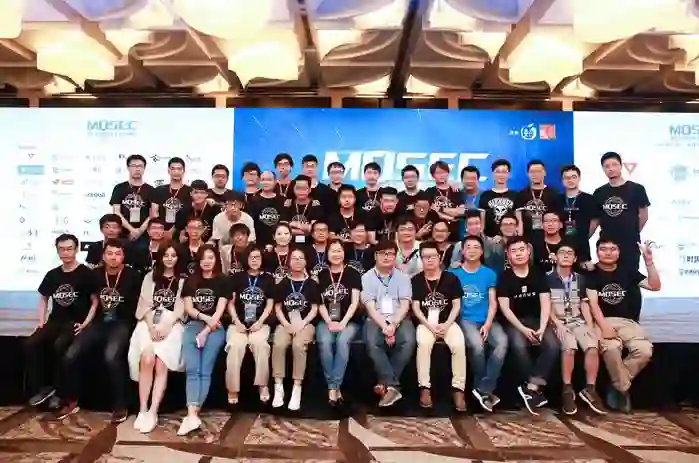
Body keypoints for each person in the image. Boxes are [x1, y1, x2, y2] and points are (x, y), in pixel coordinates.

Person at [54, 239, 142, 423]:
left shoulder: (133, 275)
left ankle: (120, 405)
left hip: (121, 323)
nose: (113, 257)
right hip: (98, 323)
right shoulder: (94, 274)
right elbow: (89, 301)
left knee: (111, 357)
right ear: (103, 255)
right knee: (70, 355)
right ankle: (71, 400)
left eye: (117, 254)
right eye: (110, 253)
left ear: (123, 256)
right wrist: (84, 323)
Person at [586, 237, 660, 412]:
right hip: (602, 320)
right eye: (603, 249)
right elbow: (593, 304)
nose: (608, 252)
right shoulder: (591, 273)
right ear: (597, 252)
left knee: (644, 350)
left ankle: (619, 385)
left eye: (613, 249)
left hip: (627, 322)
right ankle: (622, 389)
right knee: (612, 348)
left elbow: (654, 286)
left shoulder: (628, 271)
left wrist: (649, 262)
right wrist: (604, 327)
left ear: (619, 252)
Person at [26, 234, 98, 409]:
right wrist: (41, 323)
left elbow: (95, 301)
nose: (65, 253)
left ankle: (60, 393)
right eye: (62, 249)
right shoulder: (52, 275)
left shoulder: (86, 274)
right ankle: (44, 388)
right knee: (31, 344)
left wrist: (85, 323)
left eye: (69, 249)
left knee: (60, 347)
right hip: (55, 321)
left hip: (75, 322)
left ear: (77, 249)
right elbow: (44, 299)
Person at [496, 237, 558, 415]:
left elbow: (545, 303)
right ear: (508, 255)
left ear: (528, 252)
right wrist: (522, 329)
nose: (518, 254)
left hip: (537, 320)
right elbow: (505, 309)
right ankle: (531, 388)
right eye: (514, 251)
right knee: (518, 346)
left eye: (521, 250)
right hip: (515, 322)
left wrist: (542, 327)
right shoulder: (504, 277)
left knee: (553, 346)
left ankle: (531, 386)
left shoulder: (538, 274)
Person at [128, 243, 185, 433]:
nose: (169, 259)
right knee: (147, 358)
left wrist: (166, 326)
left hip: (172, 324)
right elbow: (143, 305)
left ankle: (153, 410)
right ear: (160, 257)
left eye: (173, 255)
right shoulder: (149, 277)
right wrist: (152, 326)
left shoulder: (183, 280)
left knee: (161, 362)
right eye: (166, 255)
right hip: (149, 321)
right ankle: (142, 409)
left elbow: (181, 309)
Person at [547, 242, 606, 415]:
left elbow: (584, 304)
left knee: (592, 346)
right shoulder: (547, 278)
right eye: (562, 252)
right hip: (557, 321)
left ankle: (590, 389)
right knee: (570, 346)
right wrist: (557, 323)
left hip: (577, 320)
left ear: (575, 259)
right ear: (555, 257)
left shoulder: (580, 279)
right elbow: (545, 306)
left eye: (570, 253)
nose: (566, 255)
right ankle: (567, 389)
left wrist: (589, 325)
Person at [450, 235, 507, 412]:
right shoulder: (453, 273)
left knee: (502, 343)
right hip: (465, 319)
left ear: (482, 251)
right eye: (468, 247)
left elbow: (493, 302)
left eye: (476, 247)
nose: (472, 250)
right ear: (462, 251)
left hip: (487, 319)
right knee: (477, 345)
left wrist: (488, 324)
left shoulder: (489, 273)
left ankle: (483, 388)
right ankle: (481, 390)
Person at [179, 244, 229, 435]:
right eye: (203, 258)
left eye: (210, 257)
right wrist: (204, 319)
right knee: (192, 369)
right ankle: (192, 414)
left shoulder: (223, 280)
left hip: (215, 329)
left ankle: (193, 414)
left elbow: (219, 310)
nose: (207, 262)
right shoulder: (191, 281)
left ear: (216, 259)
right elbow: (189, 308)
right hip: (194, 325)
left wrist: (206, 330)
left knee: (204, 370)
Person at [411, 242, 467, 411]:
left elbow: (457, 305)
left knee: (458, 344)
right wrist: (429, 325)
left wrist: (447, 324)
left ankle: (458, 389)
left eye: (433, 256)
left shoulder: (451, 278)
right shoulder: (416, 280)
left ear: (440, 257)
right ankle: (424, 388)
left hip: (448, 322)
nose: (430, 260)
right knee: (423, 344)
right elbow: (415, 307)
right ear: (421, 259)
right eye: (426, 257)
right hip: (426, 323)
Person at [361, 240, 416, 407]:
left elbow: (405, 305)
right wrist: (384, 326)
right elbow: (370, 307)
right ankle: (393, 385)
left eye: (390, 254)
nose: (386, 257)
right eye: (382, 253)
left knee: (408, 340)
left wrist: (393, 324)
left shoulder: (403, 277)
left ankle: (386, 384)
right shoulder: (367, 277)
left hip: (399, 317)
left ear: (395, 256)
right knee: (372, 342)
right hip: (375, 318)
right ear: (375, 256)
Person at [272, 248, 320, 411]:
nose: (297, 261)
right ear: (288, 262)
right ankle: (278, 386)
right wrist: (286, 324)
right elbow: (277, 308)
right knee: (279, 344)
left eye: (301, 258)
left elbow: (314, 309)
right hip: (285, 323)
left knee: (298, 345)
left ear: (306, 261)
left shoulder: (312, 284)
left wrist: (302, 323)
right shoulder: (283, 283)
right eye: (294, 258)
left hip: (306, 324)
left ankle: (296, 387)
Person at [225, 245, 275, 405]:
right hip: (238, 323)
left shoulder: (268, 279)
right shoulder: (237, 278)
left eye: (258, 257)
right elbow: (230, 303)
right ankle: (232, 388)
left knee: (260, 344)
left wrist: (260, 322)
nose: (254, 260)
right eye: (251, 257)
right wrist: (236, 321)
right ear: (246, 259)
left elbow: (270, 305)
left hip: (260, 323)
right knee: (235, 346)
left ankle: (262, 385)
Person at [315, 240, 362, 405]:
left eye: (339, 250)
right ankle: (334, 387)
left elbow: (355, 302)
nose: (336, 254)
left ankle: (333, 386)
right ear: (327, 254)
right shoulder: (322, 274)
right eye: (333, 251)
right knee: (325, 342)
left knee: (342, 342)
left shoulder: (352, 273)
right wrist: (329, 321)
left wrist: (343, 322)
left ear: (344, 253)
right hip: (326, 320)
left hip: (349, 320)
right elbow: (319, 303)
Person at [592, 152, 650, 271]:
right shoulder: (599, 192)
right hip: (607, 246)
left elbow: (643, 215)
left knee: (630, 277)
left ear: (621, 166)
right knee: (607, 278)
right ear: (603, 169)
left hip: (630, 244)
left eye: (614, 165)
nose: (611, 169)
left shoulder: (637, 189)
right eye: (607, 166)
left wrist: (632, 232)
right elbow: (595, 220)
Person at [109, 154, 156, 246]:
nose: (137, 169)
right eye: (134, 166)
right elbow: (116, 212)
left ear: (144, 168)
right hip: (123, 233)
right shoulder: (119, 188)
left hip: (144, 234)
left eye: (140, 166)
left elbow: (153, 214)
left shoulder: (151, 190)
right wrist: (132, 230)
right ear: (128, 168)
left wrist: (139, 231)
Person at [559, 164, 597, 267]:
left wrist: (583, 236)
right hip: (561, 249)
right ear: (562, 180)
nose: (570, 180)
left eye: (573, 177)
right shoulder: (556, 199)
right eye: (566, 178)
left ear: (579, 178)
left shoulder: (589, 199)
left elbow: (595, 222)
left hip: (582, 249)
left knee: (583, 275)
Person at [515, 160, 561, 237]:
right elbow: (518, 216)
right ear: (528, 174)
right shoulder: (521, 194)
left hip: (548, 237)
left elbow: (558, 218)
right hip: (527, 237)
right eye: (532, 172)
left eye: (539, 171)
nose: (535, 174)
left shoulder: (554, 193)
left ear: (544, 173)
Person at [425, 161, 465, 240]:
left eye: (444, 172)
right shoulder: (429, 192)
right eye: (438, 173)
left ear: (448, 173)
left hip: (454, 233)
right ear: (433, 176)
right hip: (436, 233)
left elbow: (461, 211)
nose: (442, 175)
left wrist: (441, 209)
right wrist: (452, 217)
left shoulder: (455, 191)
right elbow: (434, 213)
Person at [152, 157, 191, 238]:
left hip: (182, 234)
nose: (176, 172)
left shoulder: (190, 191)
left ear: (183, 171)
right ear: (168, 171)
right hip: (161, 233)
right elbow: (154, 213)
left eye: (179, 169)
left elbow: (191, 215)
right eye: (173, 169)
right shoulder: (159, 190)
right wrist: (161, 230)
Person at [478, 159, 518, 238]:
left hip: (510, 239)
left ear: (508, 174)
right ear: (492, 174)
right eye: (498, 172)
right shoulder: (485, 195)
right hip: (490, 239)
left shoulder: (516, 195)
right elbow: (482, 222)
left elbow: (518, 221)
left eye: (504, 172)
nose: (501, 175)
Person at [282, 174, 324, 244]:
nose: (301, 191)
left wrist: (296, 225)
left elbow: (315, 229)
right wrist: (306, 229)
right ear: (293, 189)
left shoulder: (315, 204)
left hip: (310, 242)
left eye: (304, 188)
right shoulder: (288, 203)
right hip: (290, 242)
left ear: (310, 189)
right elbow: (284, 228)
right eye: (298, 188)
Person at [246, 170, 283, 247]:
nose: (266, 182)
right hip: (258, 244)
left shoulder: (282, 200)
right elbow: (249, 224)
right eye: (263, 180)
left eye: (269, 180)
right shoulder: (253, 200)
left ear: (275, 182)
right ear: (259, 181)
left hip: (279, 243)